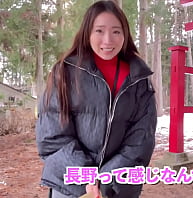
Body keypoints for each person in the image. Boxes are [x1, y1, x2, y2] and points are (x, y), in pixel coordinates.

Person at [35, 1, 157, 198]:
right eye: (99, 31)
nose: (108, 40)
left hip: (118, 187)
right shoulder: (64, 72)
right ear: (87, 33)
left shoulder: (139, 79)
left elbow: (142, 139)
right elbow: (51, 136)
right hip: (72, 186)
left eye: (116, 31)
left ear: (125, 35)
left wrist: (107, 178)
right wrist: (87, 176)